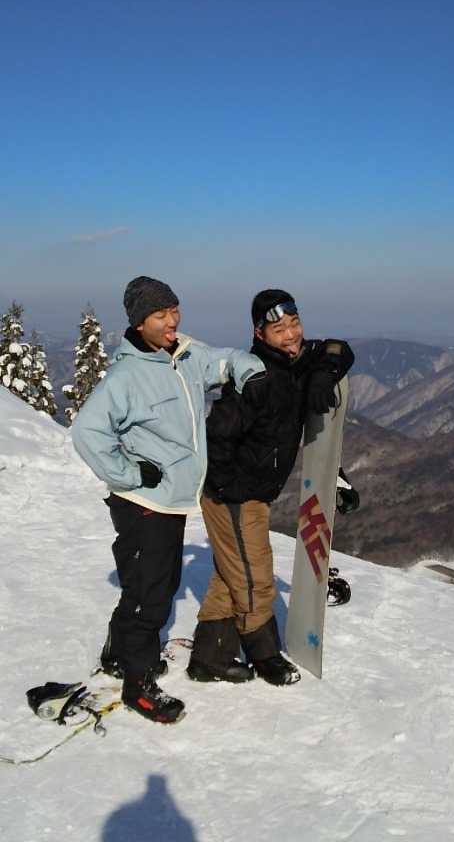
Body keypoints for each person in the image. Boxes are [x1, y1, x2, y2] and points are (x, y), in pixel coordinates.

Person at [71, 276, 265, 723]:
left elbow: (224, 361)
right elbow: (87, 432)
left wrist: (252, 372)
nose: (172, 320)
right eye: (160, 314)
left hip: (171, 500)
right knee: (152, 595)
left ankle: (119, 656)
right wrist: (128, 473)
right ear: (140, 323)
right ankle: (138, 688)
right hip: (144, 503)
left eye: (174, 309)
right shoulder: (127, 376)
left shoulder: (184, 355)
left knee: (146, 585)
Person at [186, 288, 354, 687]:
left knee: (231, 574)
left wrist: (323, 373)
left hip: (255, 493)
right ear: (259, 334)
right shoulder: (255, 376)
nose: (291, 334)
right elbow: (217, 434)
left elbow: (338, 349)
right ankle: (263, 653)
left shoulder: (295, 362)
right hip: (233, 495)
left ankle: (209, 657)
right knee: (254, 577)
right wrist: (228, 488)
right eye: (279, 329)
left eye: (295, 323)